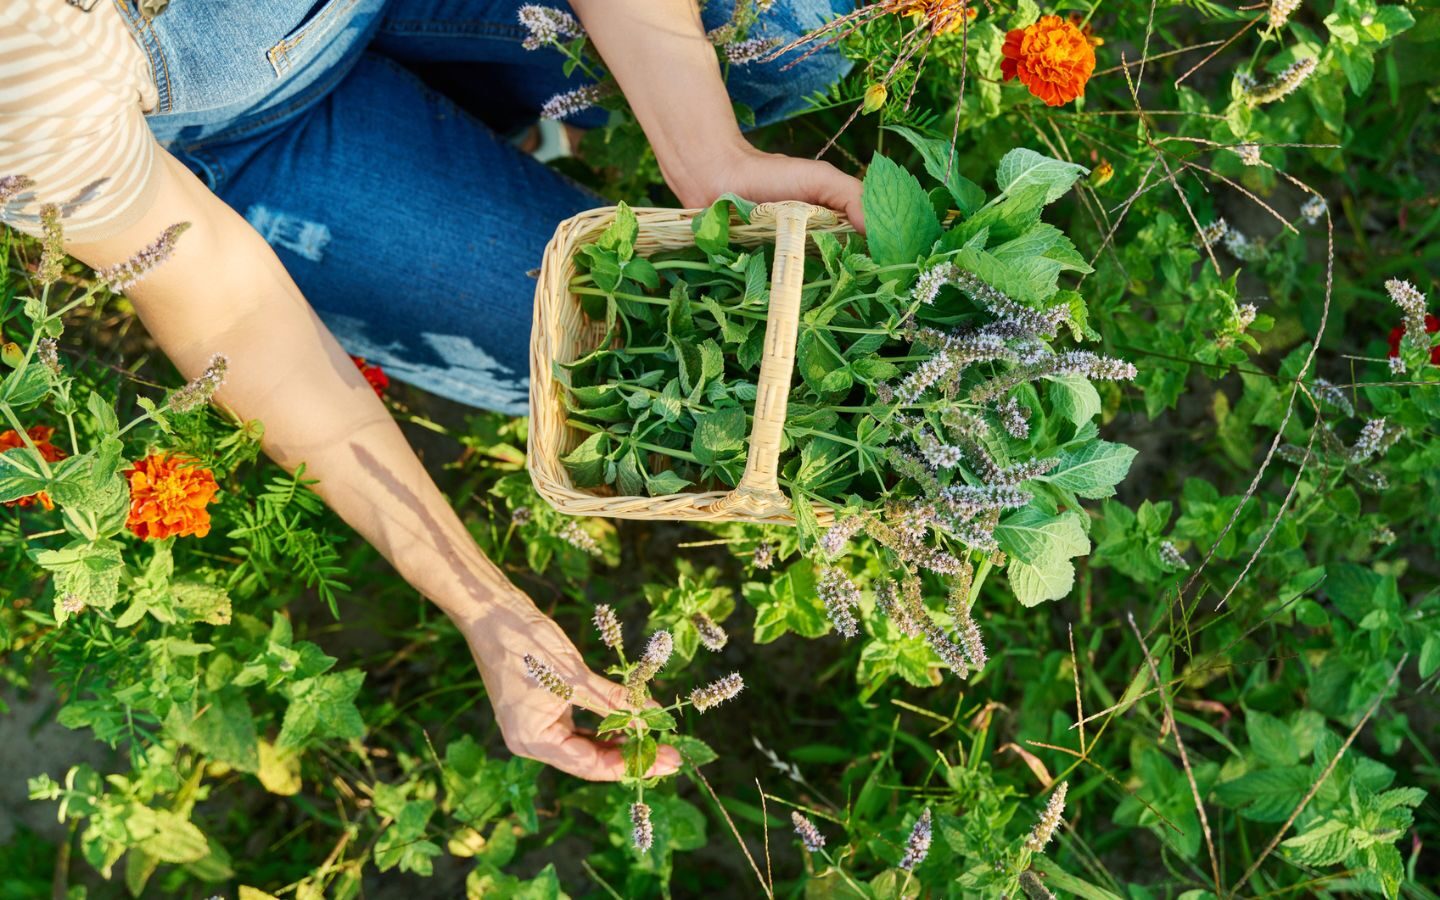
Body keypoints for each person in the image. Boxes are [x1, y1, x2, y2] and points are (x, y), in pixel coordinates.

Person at [1, 0, 863, 781]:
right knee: (609, 355)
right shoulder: (21, 71)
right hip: (245, 130)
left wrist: (707, 154)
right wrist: (486, 607)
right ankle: (454, 136)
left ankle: (470, 111)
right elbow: (230, 312)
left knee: (797, 34)